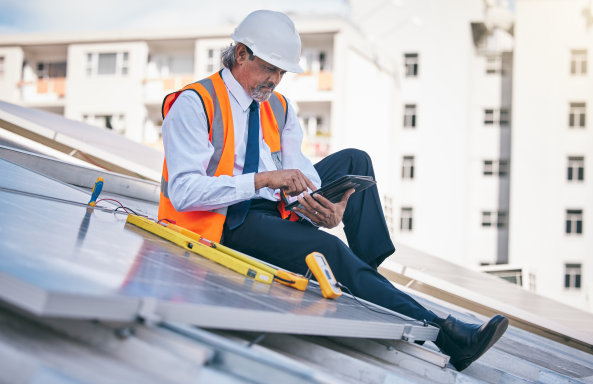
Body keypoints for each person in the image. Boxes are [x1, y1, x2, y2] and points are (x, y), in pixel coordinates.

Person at [159, 9, 508, 371]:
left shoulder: (276, 106)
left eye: (282, 72)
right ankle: (448, 335)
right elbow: (184, 191)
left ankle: (367, 273)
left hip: (272, 203)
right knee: (326, 249)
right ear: (242, 54)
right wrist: (263, 181)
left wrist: (314, 205)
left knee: (356, 161)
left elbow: (296, 171)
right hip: (227, 218)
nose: (275, 80)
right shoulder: (194, 103)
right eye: (270, 69)